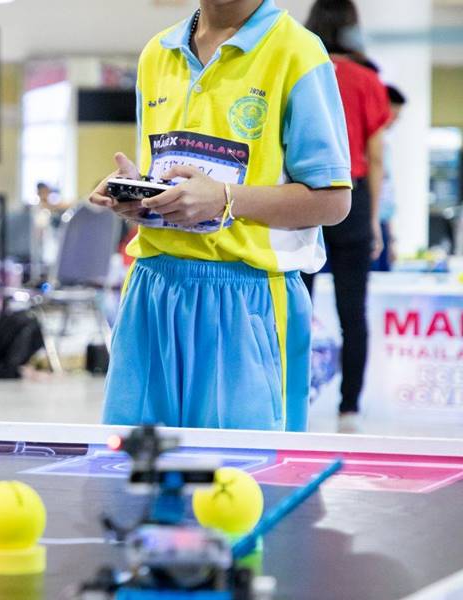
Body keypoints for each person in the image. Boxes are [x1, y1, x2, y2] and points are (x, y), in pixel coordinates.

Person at [90, 0, 352, 431]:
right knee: (134, 465)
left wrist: (227, 198)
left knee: (242, 469)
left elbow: (332, 201)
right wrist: (139, 193)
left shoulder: (298, 51)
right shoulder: (158, 51)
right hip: (152, 290)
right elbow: (166, 169)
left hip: (248, 299)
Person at [303, 0, 392, 432]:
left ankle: (290, 396)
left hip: (301, 197)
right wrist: (374, 219)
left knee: (294, 308)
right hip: (352, 198)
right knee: (352, 312)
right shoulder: (367, 80)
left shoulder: (302, 71)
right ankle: (349, 409)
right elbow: (376, 158)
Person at [372, 85, 407, 271]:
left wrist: (391, 239)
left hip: (381, 224)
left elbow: (385, 193)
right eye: (394, 114)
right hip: (368, 224)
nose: (395, 120)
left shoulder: (384, 147)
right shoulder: (366, 147)